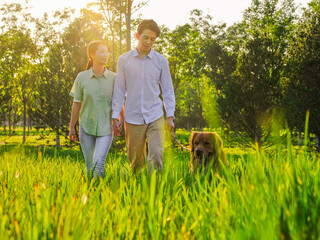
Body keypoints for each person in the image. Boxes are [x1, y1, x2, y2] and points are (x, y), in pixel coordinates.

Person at [112, 19, 175, 173]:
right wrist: (115, 115)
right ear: (137, 35)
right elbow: (119, 90)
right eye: (145, 38)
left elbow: (168, 90)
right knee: (136, 162)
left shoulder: (161, 61)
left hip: (155, 114)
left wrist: (170, 116)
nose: (148, 42)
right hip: (132, 117)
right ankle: (137, 192)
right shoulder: (124, 60)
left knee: (156, 155)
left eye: (152, 39)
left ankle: (155, 190)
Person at [69, 41, 123, 178]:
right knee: (90, 168)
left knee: (98, 164)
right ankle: (92, 194)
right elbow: (76, 104)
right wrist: (71, 127)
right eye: (102, 51)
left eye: (107, 51)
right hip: (86, 127)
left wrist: (119, 120)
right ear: (92, 55)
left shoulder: (114, 78)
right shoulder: (81, 77)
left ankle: (102, 196)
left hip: (106, 129)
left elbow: (119, 102)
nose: (106, 54)